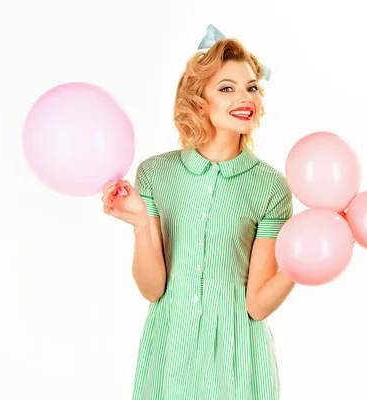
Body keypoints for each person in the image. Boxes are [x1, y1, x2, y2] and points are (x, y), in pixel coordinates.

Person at [101, 34, 295, 399]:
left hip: (239, 359)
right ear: (198, 101)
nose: (245, 99)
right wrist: (142, 223)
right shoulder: (155, 175)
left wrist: (301, 265)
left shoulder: (271, 187)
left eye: (251, 88)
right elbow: (152, 288)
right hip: (170, 353)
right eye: (226, 88)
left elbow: (256, 304)